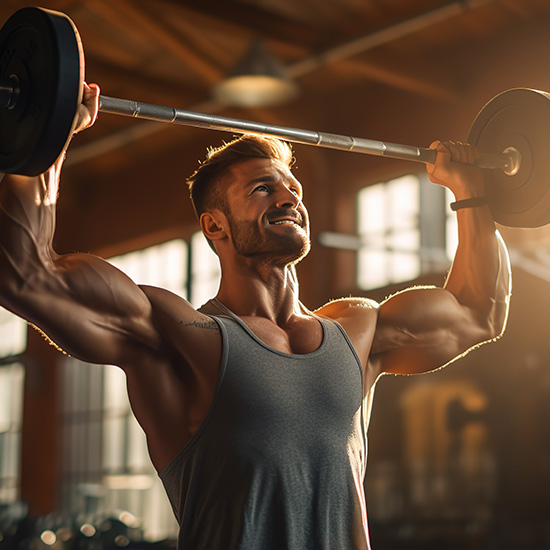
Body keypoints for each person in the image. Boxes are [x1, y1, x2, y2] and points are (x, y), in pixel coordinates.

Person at [0, 82, 511, 549]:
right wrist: (47, 138)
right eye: (263, 189)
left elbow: (480, 311)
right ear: (215, 225)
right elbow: (25, 275)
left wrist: (472, 193)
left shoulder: (358, 330)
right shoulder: (176, 333)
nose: (290, 197)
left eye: (293, 189)